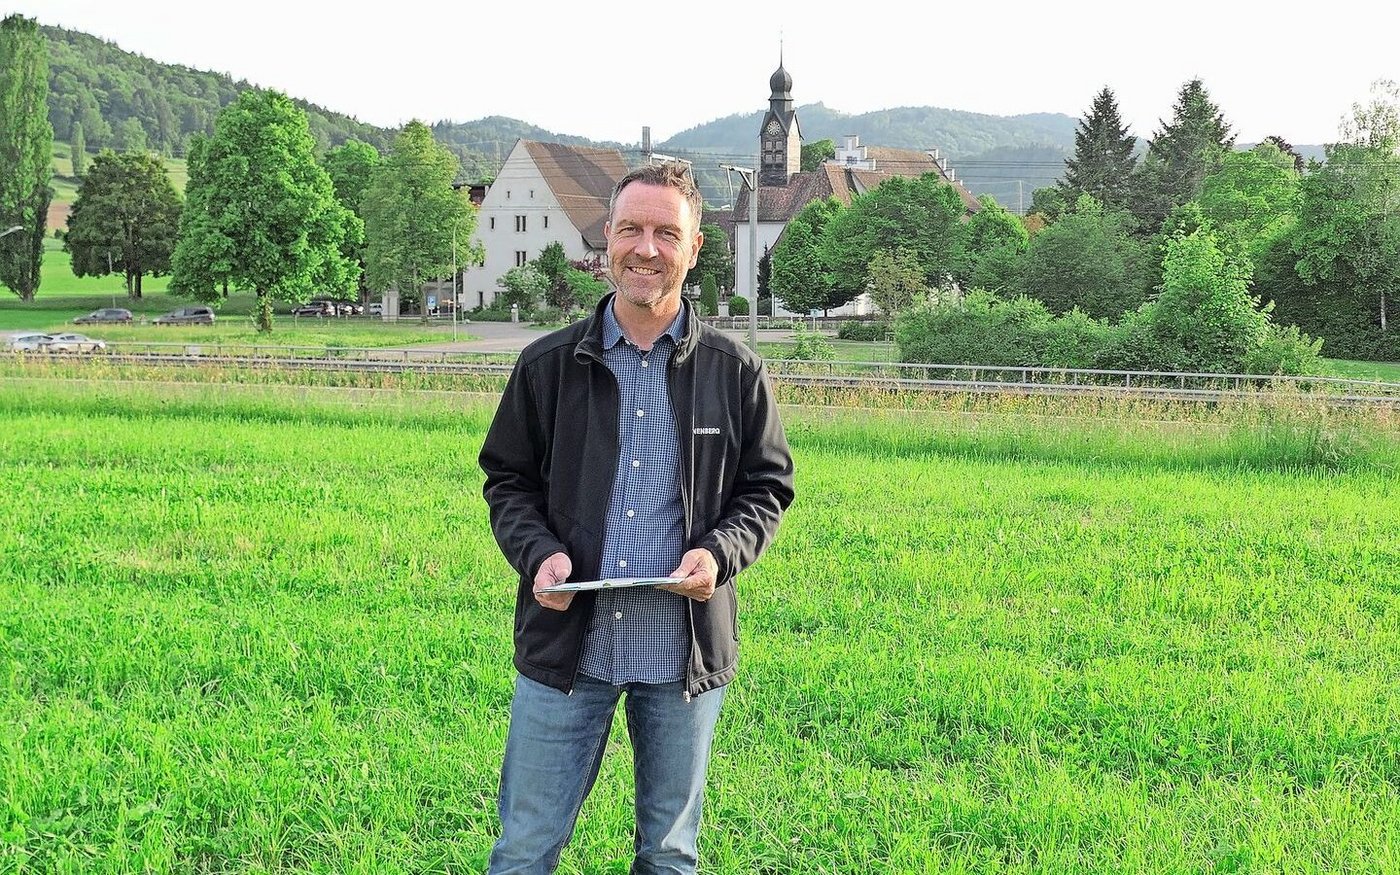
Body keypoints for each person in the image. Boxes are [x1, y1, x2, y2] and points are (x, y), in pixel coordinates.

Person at [478, 161, 795, 874]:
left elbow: (766, 487)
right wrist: (538, 555)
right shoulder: (547, 366)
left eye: (663, 232)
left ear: (693, 248)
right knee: (525, 850)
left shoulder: (734, 372)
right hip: (569, 649)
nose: (644, 249)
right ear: (607, 241)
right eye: (629, 229)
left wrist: (718, 553)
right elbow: (508, 480)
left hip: (679, 654)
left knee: (669, 853)